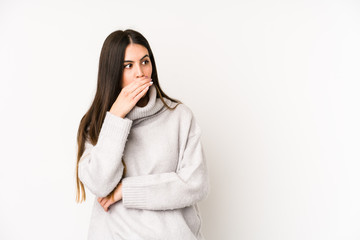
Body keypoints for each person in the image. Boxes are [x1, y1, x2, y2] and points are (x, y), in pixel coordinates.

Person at [75, 29, 210, 240]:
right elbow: (100, 184)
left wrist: (126, 191)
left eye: (145, 62)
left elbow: (195, 184)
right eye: (128, 66)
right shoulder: (96, 124)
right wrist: (116, 117)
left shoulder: (179, 116)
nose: (140, 72)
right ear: (112, 73)